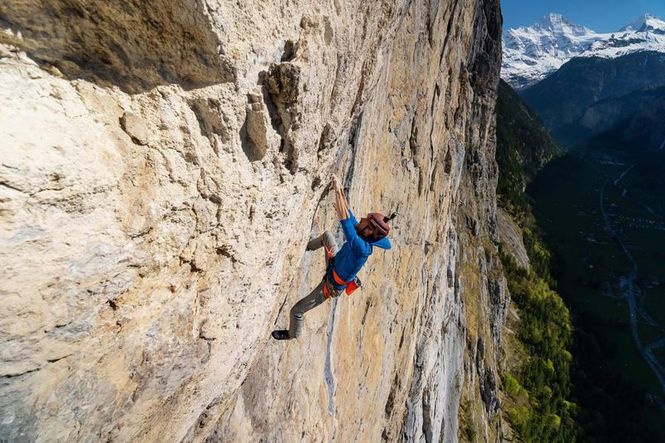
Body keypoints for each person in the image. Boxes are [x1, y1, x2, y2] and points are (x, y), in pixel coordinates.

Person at [272, 174, 394, 340]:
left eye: (366, 220)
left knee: (297, 311)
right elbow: (349, 216)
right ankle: (305, 246)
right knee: (327, 236)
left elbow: (345, 221)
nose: (363, 219)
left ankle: (292, 334)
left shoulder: (361, 248)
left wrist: (338, 191)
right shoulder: (363, 235)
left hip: (330, 286)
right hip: (334, 263)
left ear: (369, 230)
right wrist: (339, 190)